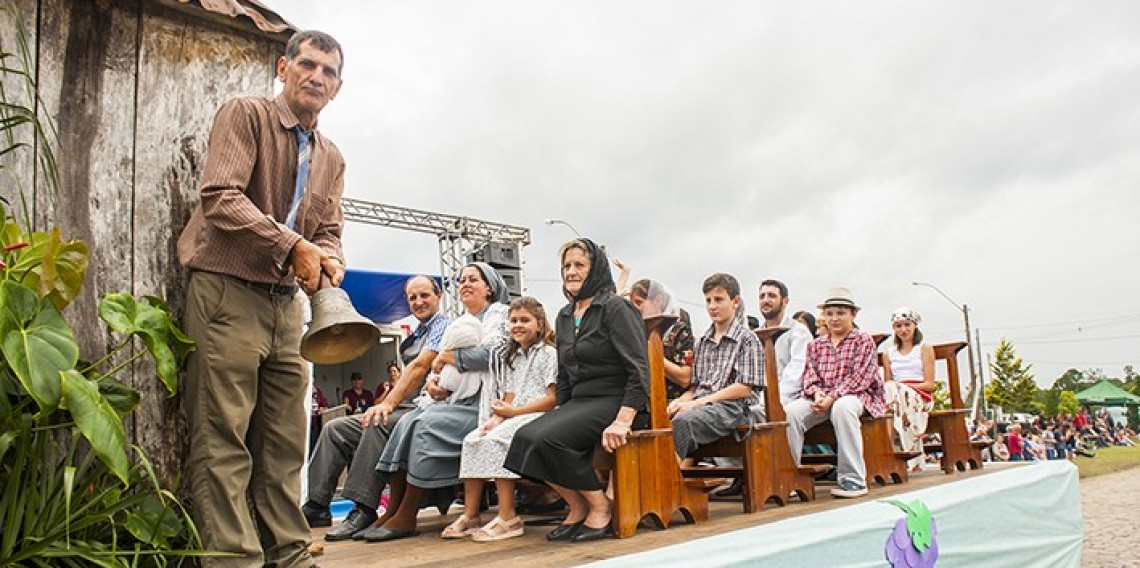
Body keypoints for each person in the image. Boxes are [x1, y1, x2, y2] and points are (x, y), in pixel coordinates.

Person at [177, 30, 345, 567]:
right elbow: (220, 197)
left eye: (329, 72)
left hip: (286, 306)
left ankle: (290, 555)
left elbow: (331, 230)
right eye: (308, 65)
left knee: (284, 443)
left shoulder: (332, 156)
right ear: (283, 67)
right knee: (222, 438)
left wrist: (327, 255)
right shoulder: (245, 114)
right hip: (226, 291)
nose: (317, 77)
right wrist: (293, 244)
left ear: (338, 88)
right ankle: (234, 562)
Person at [504, 238, 649, 543]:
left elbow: (639, 368)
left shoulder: (615, 307)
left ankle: (600, 507)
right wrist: (559, 412)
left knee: (550, 439)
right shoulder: (565, 315)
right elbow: (565, 374)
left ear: (595, 270)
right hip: (581, 402)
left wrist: (624, 419)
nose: (571, 271)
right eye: (566, 265)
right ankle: (577, 505)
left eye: (579, 265)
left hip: (616, 399)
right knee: (524, 439)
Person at [363, 263, 511, 543]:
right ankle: (393, 509)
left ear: (489, 287)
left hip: (485, 405)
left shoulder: (500, 316)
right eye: (462, 280)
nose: (465, 284)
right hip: (455, 400)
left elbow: (493, 356)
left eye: (473, 280)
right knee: (406, 422)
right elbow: (436, 370)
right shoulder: (461, 322)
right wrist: (433, 381)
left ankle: (407, 513)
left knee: (424, 425)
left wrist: (446, 359)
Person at [303, 275, 450, 539]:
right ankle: (317, 505)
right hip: (405, 406)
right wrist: (384, 403)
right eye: (412, 298)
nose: (418, 302)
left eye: (424, 295)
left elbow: (420, 367)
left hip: (430, 408)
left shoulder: (444, 326)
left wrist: (388, 404)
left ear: (438, 296)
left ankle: (364, 507)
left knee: (377, 423)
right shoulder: (415, 334)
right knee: (335, 428)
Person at [447, 297, 558, 542]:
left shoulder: (549, 354)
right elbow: (510, 394)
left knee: (496, 441)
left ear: (539, 324)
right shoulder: (514, 356)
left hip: (538, 414)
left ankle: (509, 517)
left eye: (524, 320)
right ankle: (471, 514)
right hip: (515, 414)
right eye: (513, 321)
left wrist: (514, 414)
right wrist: (496, 418)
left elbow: (551, 399)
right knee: (474, 438)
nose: (517, 325)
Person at [785, 287, 885, 499]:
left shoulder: (863, 340)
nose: (834, 318)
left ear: (852, 315)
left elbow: (861, 378)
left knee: (843, 407)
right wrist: (818, 394)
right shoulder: (815, 345)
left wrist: (832, 397)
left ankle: (853, 479)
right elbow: (809, 378)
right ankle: (790, 477)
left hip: (858, 395)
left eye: (840, 313)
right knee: (791, 412)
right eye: (829, 313)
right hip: (823, 397)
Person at [668, 273, 763, 460]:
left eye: (718, 300)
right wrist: (680, 401)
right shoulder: (702, 342)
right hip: (702, 405)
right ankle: (668, 475)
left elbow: (744, 388)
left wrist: (696, 403)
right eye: (708, 300)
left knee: (683, 422)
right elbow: (695, 387)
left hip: (733, 408)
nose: (712, 306)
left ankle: (666, 481)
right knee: (662, 416)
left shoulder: (748, 339)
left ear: (735, 302)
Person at [881, 307, 936, 472]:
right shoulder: (888, 353)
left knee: (892, 389)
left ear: (914, 326)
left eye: (906, 325)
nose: (903, 330)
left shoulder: (924, 348)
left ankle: (889, 448)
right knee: (889, 390)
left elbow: (929, 384)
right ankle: (889, 448)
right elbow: (887, 382)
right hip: (895, 397)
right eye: (898, 326)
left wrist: (903, 387)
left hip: (919, 394)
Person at [629, 279, 693, 400]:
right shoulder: (631, 330)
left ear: (658, 301)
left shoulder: (679, 331)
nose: (634, 309)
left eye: (639, 302)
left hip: (669, 403)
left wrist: (650, 351)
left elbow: (685, 378)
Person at [758, 280, 813, 405]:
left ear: (785, 301)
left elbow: (796, 375)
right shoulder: (754, 336)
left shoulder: (798, 332)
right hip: (759, 397)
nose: (765, 300)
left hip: (790, 397)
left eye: (772, 295)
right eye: (762, 296)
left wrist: (768, 399)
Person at [309, 384, 329, 455]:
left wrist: (322, 408)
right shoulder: (302, 389)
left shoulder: (317, 391)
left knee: (314, 448)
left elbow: (324, 404)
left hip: (315, 424)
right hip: (304, 425)